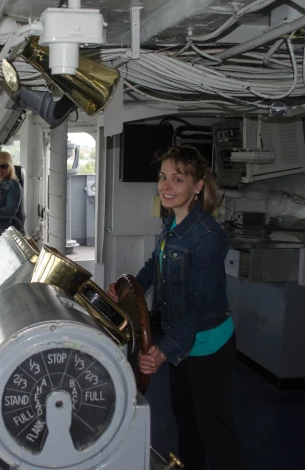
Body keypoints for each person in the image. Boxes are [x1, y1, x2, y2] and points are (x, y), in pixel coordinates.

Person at [108, 145, 246, 470]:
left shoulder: (206, 237)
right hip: (181, 342)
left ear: (198, 186)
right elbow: (153, 264)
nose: (166, 186)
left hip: (208, 345)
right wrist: (129, 288)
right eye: (162, 177)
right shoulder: (170, 225)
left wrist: (163, 350)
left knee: (215, 431)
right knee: (187, 423)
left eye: (177, 179)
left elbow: (199, 306)